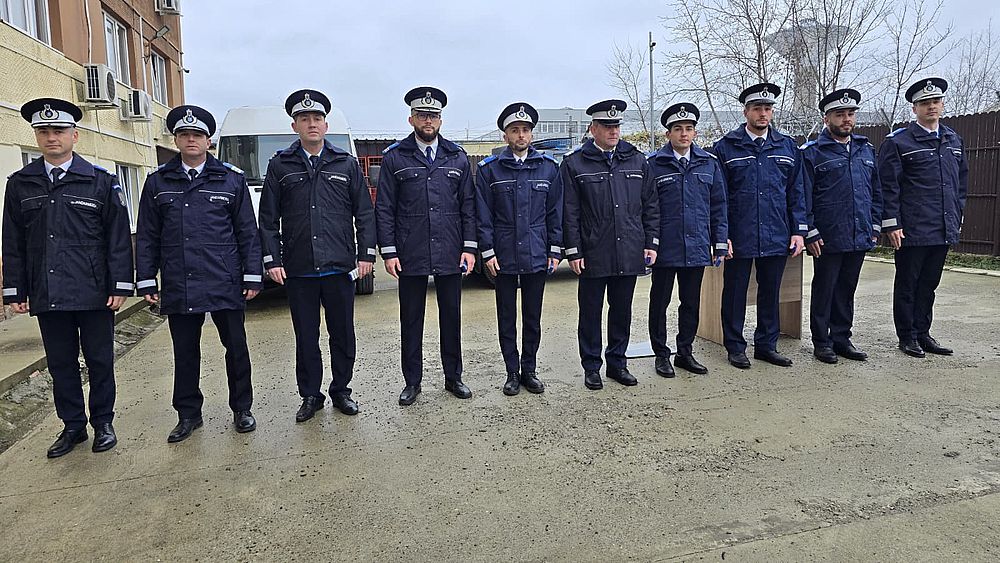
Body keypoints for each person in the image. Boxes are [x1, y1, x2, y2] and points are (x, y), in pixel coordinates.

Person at [2, 98, 133, 457]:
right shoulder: (21, 184)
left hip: (94, 290)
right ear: (36, 136)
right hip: (48, 290)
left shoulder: (100, 182)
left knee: (100, 361)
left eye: (58, 130)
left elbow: (117, 238)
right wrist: (15, 289)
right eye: (43, 131)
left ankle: (103, 423)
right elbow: (13, 240)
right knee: (61, 364)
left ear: (74, 135)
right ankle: (73, 426)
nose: (51, 137)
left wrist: (120, 284)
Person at [136, 105, 262, 442]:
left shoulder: (231, 179)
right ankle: (188, 414)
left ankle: (242, 408)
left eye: (198, 135)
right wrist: (146, 278)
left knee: (236, 348)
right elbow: (147, 235)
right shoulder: (158, 182)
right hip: (181, 279)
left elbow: (247, 232)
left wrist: (252, 274)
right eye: (184, 135)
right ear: (176, 140)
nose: (191, 140)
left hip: (224, 278)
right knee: (185, 352)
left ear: (208, 141)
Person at [258, 89, 376, 421]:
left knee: (343, 335)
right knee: (306, 337)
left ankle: (341, 390)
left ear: (326, 125)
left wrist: (366, 255)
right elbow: (268, 219)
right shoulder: (280, 165)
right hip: (300, 269)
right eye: (304, 119)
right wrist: (272, 260)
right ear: (294, 126)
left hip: (339, 267)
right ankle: (311, 395)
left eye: (317, 118)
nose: (311, 124)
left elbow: (364, 214)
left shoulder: (346, 164)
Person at [375, 86, 477, 405]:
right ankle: (412, 382)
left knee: (451, 318)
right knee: (411, 320)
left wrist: (469, 248)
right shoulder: (395, 157)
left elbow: (468, 205)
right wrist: (389, 251)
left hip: (450, 250)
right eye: (422, 115)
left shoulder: (457, 156)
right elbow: (385, 208)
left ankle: (453, 377)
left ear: (441, 120)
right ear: (411, 119)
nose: (428, 121)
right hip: (411, 251)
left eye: (433, 115)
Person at [560, 99, 659, 390]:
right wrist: (573, 250)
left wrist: (651, 242)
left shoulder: (637, 160)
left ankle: (617, 363)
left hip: (628, 249)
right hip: (593, 251)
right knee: (590, 313)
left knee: (622, 310)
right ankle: (592, 367)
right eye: (606, 126)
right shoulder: (575, 163)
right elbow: (569, 211)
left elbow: (650, 205)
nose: (613, 131)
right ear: (593, 129)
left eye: (616, 125)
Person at [712, 83, 807, 369]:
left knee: (770, 292)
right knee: (735, 293)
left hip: (776, 232)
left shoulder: (787, 146)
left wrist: (799, 230)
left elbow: (797, 192)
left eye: (767, 108)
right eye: (757, 109)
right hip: (739, 234)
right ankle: (735, 347)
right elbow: (719, 196)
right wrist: (723, 236)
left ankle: (767, 345)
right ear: (746, 112)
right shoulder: (726, 147)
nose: (763, 113)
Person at [475, 102, 562, 395]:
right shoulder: (490, 170)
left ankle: (530, 370)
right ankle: (512, 372)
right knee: (506, 318)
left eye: (525, 129)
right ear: (505, 135)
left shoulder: (548, 168)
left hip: (537, 252)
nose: (521, 135)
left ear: (532, 133)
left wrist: (554, 250)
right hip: (504, 255)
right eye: (515, 130)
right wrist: (487, 251)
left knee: (533, 317)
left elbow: (555, 213)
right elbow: (483, 214)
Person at [877, 77, 967, 358]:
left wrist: (957, 214)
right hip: (912, 227)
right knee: (908, 284)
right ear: (914, 108)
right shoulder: (899, 142)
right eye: (925, 103)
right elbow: (888, 186)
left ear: (942, 104)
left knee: (929, 284)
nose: (931, 107)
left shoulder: (953, 140)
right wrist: (892, 223)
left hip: (942, 226)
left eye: (936, 101)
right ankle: (907, 336)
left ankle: (923, 333)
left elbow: (960, 184)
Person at [646, 103, 729, 377]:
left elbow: (718, 205)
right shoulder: (653, 165)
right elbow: (648, 208)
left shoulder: (709, 163)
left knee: (691, 303)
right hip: (665, 247)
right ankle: (661, 354)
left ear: (695, 133)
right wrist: (650, 244)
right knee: (660, 302)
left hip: (696, 245)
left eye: (689, 128)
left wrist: (719, 241)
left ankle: (685, 352)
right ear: (668, 133)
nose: (684, 134)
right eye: (678, 129)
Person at [801, 89, 882, 364]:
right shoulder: (813, 153)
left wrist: (874, 226)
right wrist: (810, 231)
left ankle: (842, 338)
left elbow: (876, 192)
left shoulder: (865, 150)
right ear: (827, 119)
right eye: (839, 115)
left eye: (850, 114)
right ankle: (821, 342)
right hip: (827, 235)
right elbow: (804, 196)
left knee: (847, 289)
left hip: (859, 232)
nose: (846, 119)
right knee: (825, 289)